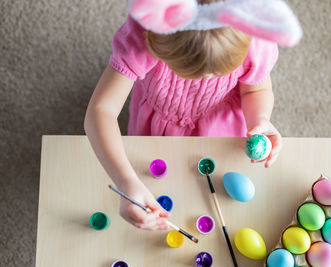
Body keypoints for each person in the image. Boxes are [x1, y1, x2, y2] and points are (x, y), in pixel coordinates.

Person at [84, 0, 302, 231]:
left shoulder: (254, 40)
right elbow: (101, 111)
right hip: (158, 123)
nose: (206, 79)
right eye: (189, 71)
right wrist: (126, 182)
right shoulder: (146, 34)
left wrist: (260, 119)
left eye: (218, 72)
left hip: (221, 123)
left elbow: (256, 89)